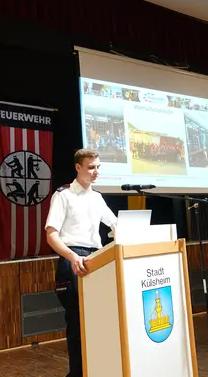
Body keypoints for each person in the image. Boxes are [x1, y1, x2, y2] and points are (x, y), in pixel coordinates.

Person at [45, 149, 117, 377]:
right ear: (78, 167)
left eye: (98, 167)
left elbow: (115, 224)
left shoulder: (97, 197)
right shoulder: (63, 195)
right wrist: (72, 256)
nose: (96, 172)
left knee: (98, 323)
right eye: (91, 167)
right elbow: (51, 234)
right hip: (74, 260)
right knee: (78, 324)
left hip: (98, 260)